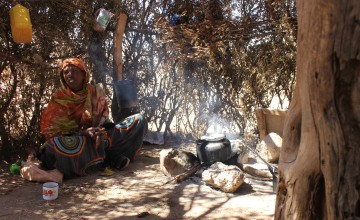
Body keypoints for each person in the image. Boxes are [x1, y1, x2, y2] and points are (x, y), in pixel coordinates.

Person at [23, 58, 147, 182]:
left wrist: (100, 130)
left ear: (84, 75)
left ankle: (104, 157)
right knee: (55, 146)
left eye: (74, 71)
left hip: (101, 136)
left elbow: (105, 119)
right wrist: (84, 133)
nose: (70, 75)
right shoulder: (58, 99)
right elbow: (53, 134)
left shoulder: (94, 92)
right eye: (66, 72)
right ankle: (110, 158)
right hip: (79, 141)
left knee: (139, 120)